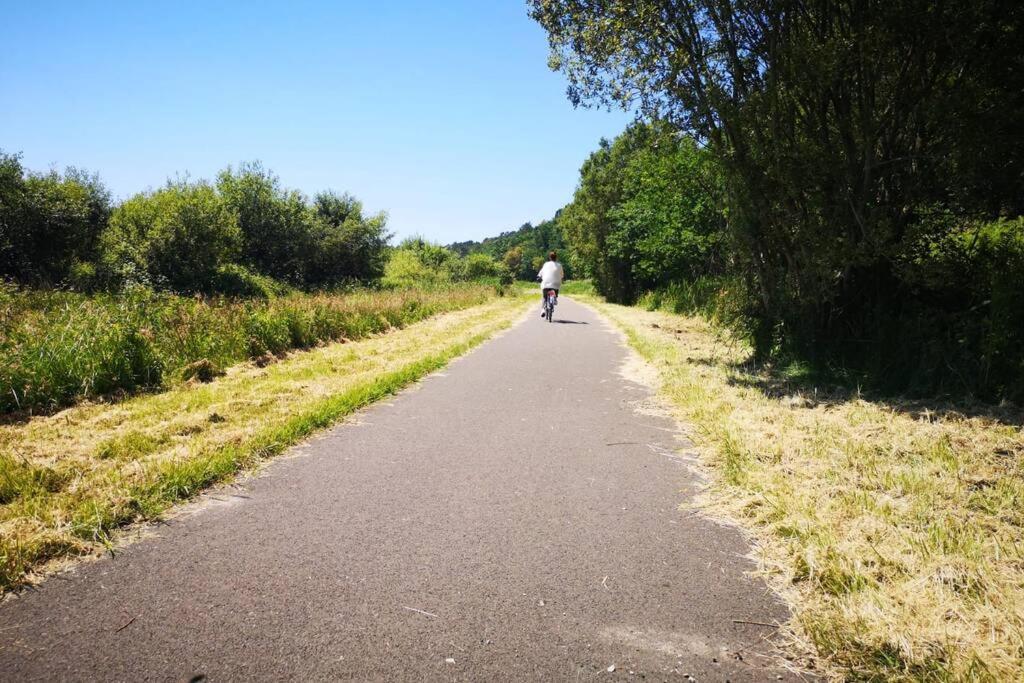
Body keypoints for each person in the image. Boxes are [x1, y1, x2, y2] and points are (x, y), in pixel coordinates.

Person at [537, 251, 564, 318]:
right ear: (556, 258)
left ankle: (543, 310)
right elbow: (562, 275)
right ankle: (554, 298)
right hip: (556, 284)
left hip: (546, 284)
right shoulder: (559, 265)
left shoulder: (546, 264)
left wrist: (539, 276)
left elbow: (541, 273)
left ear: (549, 257)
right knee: (556, 288)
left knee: (544, 297)